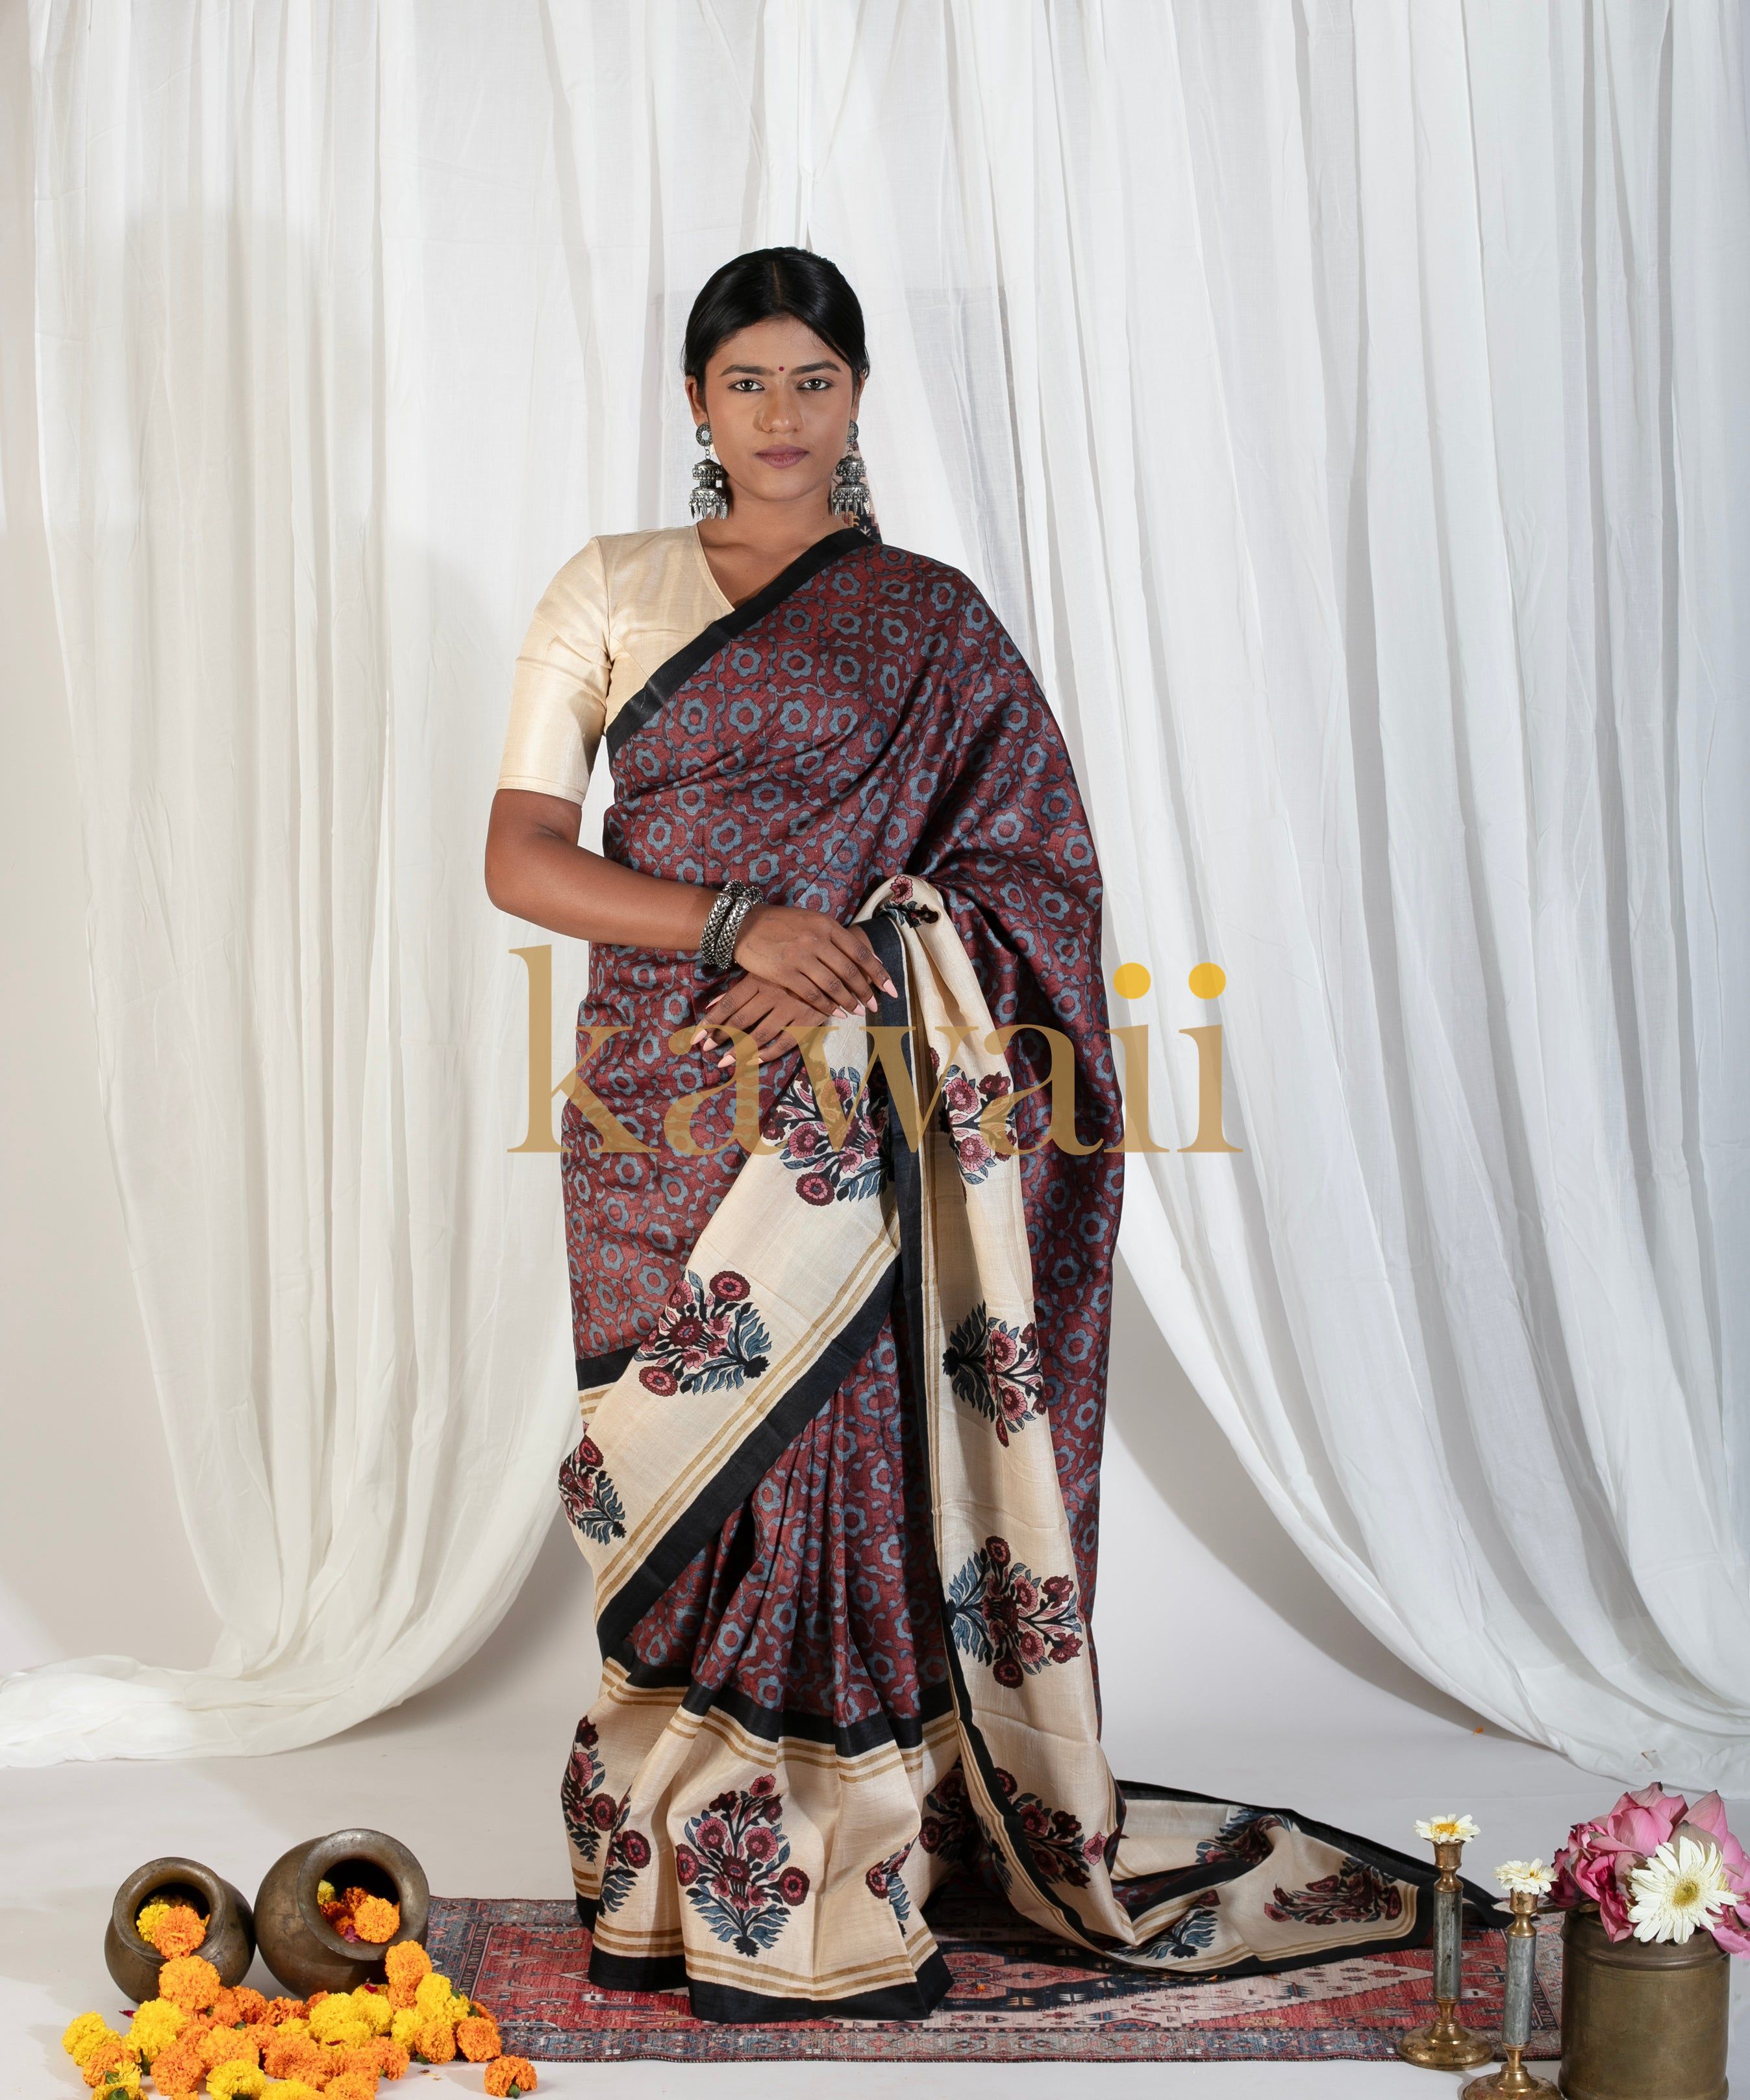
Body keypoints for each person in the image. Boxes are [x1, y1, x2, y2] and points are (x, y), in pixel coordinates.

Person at [484, 247, 1462, 2023]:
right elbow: (523, 857)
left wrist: (864, 962)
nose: (781, 417)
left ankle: (834, 1878)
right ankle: (660, 1862)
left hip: (859, 1113)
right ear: (694, 404)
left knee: (839, 1479)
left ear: (858, 399)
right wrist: (738, 928)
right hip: (662, 1098)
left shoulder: (930, 615)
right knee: (673, 1486)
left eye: (814, 382)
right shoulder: (607, 588)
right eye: (746, 383)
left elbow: (1035, 872)